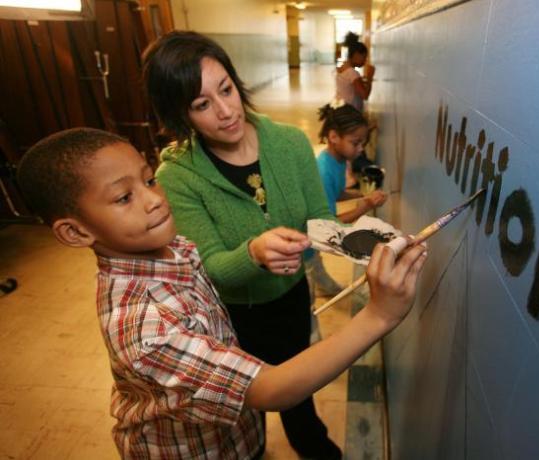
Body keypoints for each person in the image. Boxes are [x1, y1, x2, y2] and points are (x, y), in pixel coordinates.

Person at [16, 127, 427, 459]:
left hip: (233, 433)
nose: (154, 201)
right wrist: (379, 315)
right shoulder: (146, 325)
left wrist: (256, 252)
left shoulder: (171, 248)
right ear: (75, 231)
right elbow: (271, 389)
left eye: (148, 180)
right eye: (125, 197)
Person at [141, 30, 342, 458]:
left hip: (290, 300)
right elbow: (208, 265)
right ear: (182, 116)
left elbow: (322, 218)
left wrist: (353, 242)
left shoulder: (289, 142)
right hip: (229, 318)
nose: (226, 111)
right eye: (202, 104)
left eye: (226, 89)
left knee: (296, 395)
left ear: (236, 81)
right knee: (240, 411)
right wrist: (253, 253)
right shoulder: (178, 176)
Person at [316, 101, 387, 223]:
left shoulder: (339, 159)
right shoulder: (324, 173)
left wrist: (364, 195)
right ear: (334, 137)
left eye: (362, 143)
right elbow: (329, 225)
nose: (361, 149)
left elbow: (336, 194)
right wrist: (365, 207)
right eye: (355, 143)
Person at [335, 32, 375, 113]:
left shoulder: (342, 67)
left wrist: (361, 80)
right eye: (364, 57)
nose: (365, 60)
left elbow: (348, 84)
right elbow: (364, 95)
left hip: (340, 107)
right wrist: (370, 77)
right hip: (349, 113)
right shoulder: (352, 73)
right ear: (356, 55)